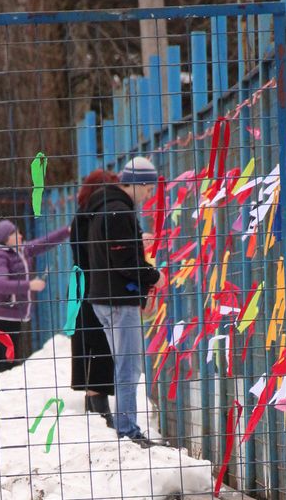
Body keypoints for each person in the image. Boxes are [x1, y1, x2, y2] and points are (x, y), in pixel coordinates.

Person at [86, 157, 167, 447]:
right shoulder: (118, 212)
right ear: (138, 183)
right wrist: (154, 276)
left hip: (106, 297)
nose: (149, 195)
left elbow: (116, 253)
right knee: (128, 367)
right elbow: (124, 261)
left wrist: (136, 244)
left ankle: (126, 426)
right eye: (148, 189)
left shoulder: (105, 207)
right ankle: (128, 430)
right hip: (118, 300)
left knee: (124, 364)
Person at [69, 169, 120, 428]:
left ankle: (96, 410)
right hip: (93, 286)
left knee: (91, 346)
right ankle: (100, 413)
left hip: (83, 285)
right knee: (99, 346)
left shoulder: (83, 214)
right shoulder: (92, 216)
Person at [0, 219, 70, 367]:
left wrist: (67, 231)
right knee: (5, 357)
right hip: (4, 314)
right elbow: (0, 284)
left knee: (6, 356)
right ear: (6, 239)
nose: (20, 236)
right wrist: (30, 285)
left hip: (13, 311)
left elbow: (43, 243)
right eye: (15, 233)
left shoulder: (20, 250)